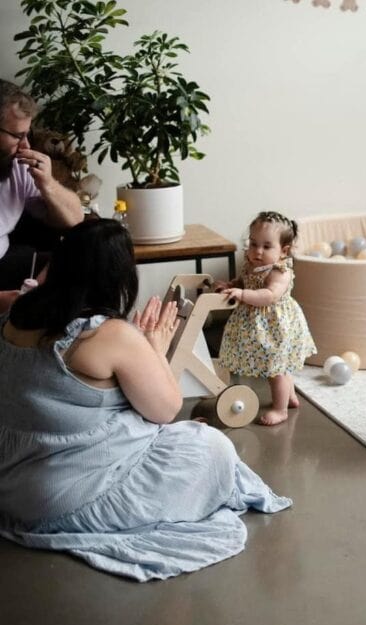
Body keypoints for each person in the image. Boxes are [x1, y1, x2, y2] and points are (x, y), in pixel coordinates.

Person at [0, 219, 292, 581]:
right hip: (65, 501)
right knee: (211, 445)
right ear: (118, 276)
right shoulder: (109, 335)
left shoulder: (16, 314)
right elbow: (165, 411)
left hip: (11, 489)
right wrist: (155, 348)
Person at [215, 211, 317, 426]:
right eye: (253, 244)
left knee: (276, 371)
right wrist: (232, 286)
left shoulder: (280, 271)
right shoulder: (251, 263)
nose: (257, 251)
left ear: (284, 251)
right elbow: (244, 281)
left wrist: (242, 296)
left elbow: (269, 296)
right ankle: (289, 398)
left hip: (275, 326)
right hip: (257, 325)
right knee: (278, 366)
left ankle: (280, 410)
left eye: (267, 246)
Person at [0, 79, 84, 311]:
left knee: (91, 253)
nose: (26, 145)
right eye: (17, 136)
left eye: (28, 134)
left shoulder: (16, 165)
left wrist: (47, 183)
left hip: (8, 267)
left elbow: (75, 220)